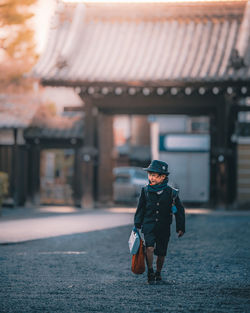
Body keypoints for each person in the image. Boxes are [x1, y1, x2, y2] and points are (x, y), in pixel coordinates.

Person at [134, 160, 185, 284]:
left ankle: (158, 272)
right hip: (149, 225)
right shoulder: (145, 190)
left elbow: (179, 210)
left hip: (164, 226)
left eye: (155, 175)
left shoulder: (171, 192)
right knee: (149, 247)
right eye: (150, 174)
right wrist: (137, 224)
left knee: (161, 252)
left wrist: (180, 227)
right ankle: (150, 271)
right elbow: (140, 208)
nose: (151, 177)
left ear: (163, 177)